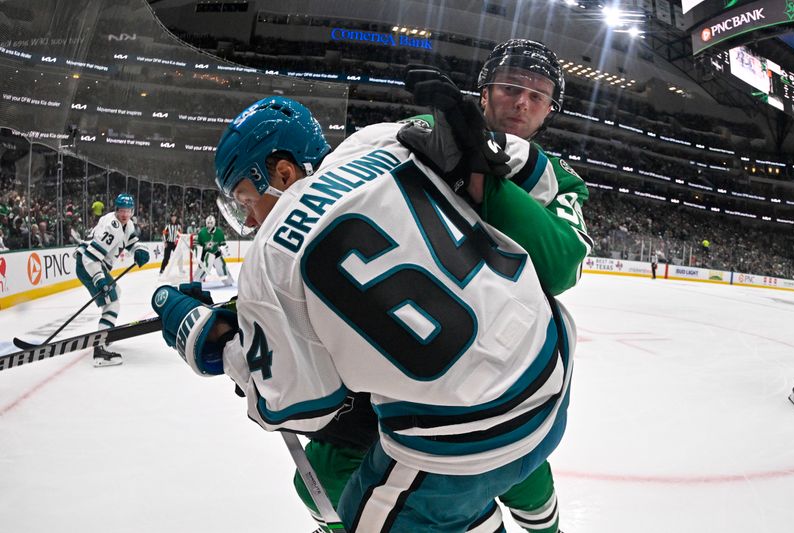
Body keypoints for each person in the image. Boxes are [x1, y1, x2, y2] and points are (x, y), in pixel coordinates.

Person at [151, 96, 576, 531]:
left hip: (461, 434)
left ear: (283, 172)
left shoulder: (269, 255)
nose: (251, 219)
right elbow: (523, 160)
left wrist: (218, 345)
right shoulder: (378, 140)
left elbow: (298, 407)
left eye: (245, 200)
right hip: (551, 363)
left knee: (363, 508)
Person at [298, 40, 591, 533]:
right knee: (321, 473)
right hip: (400, 350)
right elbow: (337, 230)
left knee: (522, 471)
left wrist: (481, 180)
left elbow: (562, 264)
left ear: (548, 113)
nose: (522, 101)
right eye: (511, 87)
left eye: (537, 96)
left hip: (498, 365)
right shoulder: (423, 138)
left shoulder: (561, 181)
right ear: (484, 93)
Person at [75, 193, 150, 366]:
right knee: (112, 302)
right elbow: (90, 258)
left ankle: (104, 334)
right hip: (88, 265)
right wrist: (99, 279)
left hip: (94, 263)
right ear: (116, 210)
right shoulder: (111, 227)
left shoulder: (127, 224)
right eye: (121, 211)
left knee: (116, 294)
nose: (125, 214)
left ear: (132, 211)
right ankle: (100, 350)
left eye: (128, 211)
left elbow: (131, 241)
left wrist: (140, 250)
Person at [193, 214, 234, 286]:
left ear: (214, 223)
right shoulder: (202, 232)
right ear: (206, 223)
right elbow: (197, 244)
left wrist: (225, 251)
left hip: (216, 253)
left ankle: (228, 281)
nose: (209, 225)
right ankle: (196, 282)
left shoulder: (219, 232)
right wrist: (197, 255)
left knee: (222, 265)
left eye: (211, 223)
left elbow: (223, 244)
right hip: (205, 254)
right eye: (208, 223)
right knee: (204, 267)